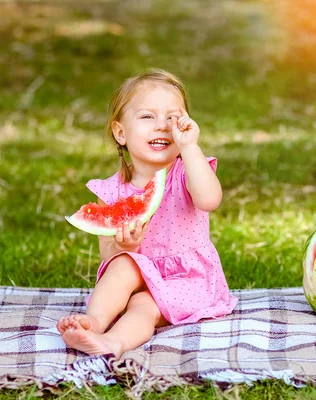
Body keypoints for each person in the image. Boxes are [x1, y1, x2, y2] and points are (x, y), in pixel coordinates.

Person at [57, 68, 238, 358]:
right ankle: (94, 322)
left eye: (172, 117)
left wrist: (190, 147)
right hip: (138, 274)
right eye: (147, 117)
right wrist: (124, 246)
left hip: (187, 279)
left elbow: (209, 199)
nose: (162, 126)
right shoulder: (112, 190)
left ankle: (113, 343)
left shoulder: (185, 172)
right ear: (120, 132)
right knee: (122, 265)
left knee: (145, 305)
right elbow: (108, 253)